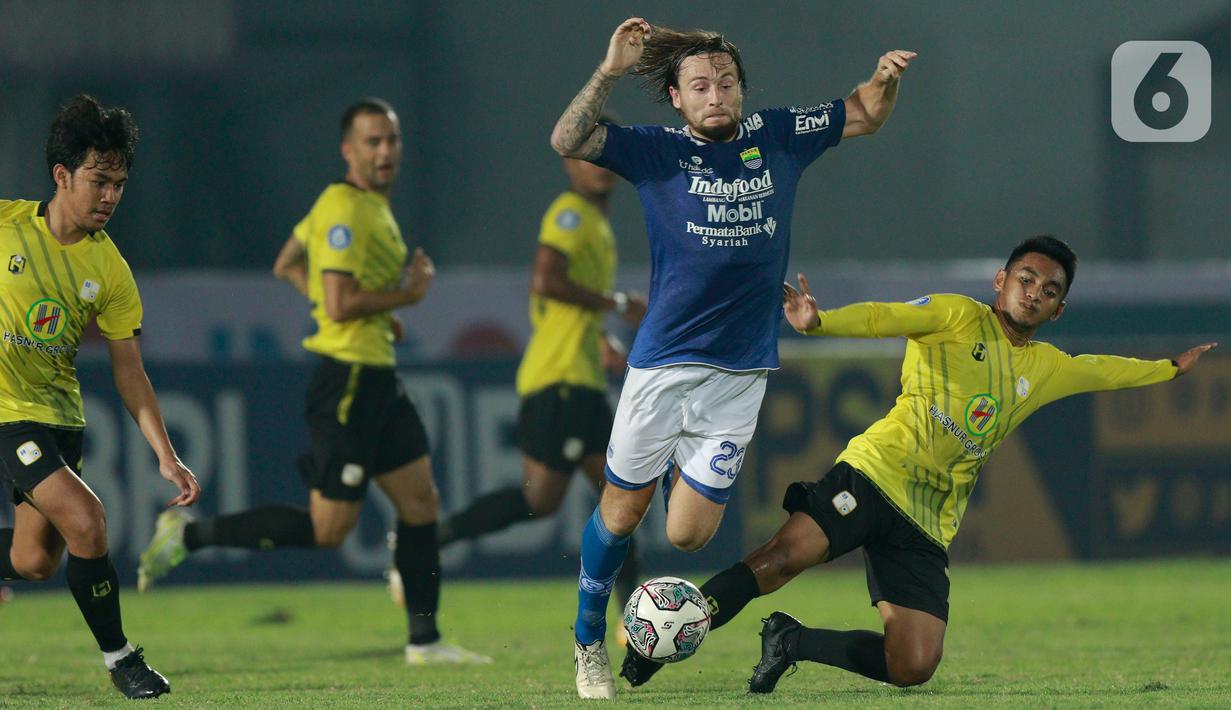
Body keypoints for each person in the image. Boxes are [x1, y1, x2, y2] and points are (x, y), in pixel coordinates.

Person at [631, 235, 1216, 692]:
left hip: (928, 521)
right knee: (779, 560)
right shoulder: (956, 316)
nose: (1034, 291)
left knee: (913, 664)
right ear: (1001, 281)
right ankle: (663, 641)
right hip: (873, 474)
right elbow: (886, 317)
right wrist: (822, 322)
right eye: (1026, 278)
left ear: (1059, 309)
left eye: (1050, 289)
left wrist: (1168, 368)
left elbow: (1104, 370)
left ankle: (792, 641)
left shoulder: (1047, 366)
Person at [549, 17, 916, 699]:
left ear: (740, 90)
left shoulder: (776, 135)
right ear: (676, 99)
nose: (714, 91)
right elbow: (567, 139)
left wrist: (884, 79)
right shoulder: (654, 151)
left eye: (724, 81)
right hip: (663, 366)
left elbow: (865, 111)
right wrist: (607, 72)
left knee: (688, 537)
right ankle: (587, 640)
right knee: (622, 516)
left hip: (739, 375)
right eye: (698, 84)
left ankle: (660, 483)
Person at [136, 98, 488, 665]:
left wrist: (370, 312)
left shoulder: (363, 206)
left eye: (392, 140)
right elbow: (340, 300)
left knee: (421, 502)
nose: (385, 152)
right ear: (348, 150)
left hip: (377, 379)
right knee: (330, 530)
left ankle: (425, 641)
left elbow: (287, 263)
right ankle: (185, 536)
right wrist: (406, 295)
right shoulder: (346, 208)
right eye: (372, 142)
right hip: (347, 383)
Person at [0, 94, 202, 699]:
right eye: (99, 180)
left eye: (119, 183)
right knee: (89, 520)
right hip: (8, 414)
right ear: (62, 176)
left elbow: (130, 374)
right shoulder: (6, 226)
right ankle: (121, 660)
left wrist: (165, 453)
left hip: (58, 416)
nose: (111, 195)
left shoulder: (110, 272)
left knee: (34, 562)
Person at [432, 138, 646, 600]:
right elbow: (546, 281)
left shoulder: (596, 222)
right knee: (588, 498)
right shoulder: (570, 213)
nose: (599, 166)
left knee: (596, 498)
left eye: (605, 156)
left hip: (576, 378)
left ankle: (632, 614)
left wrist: (601, 336)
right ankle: (430, 539)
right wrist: (620, 303)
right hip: (561, 380)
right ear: (569, 163)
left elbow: (566, 309)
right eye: (587, 156)